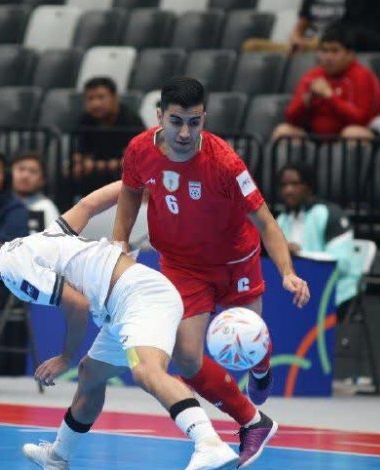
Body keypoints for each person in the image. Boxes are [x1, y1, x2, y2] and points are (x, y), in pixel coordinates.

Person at [0, 182, 240, 470]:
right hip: (119, 306)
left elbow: (77, 304)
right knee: (91, 374)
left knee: (146, 371)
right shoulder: (33, 242)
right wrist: (140, 183)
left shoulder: (12, 265)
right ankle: (57, 457)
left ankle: (209, 443)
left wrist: (65, 357)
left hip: (137, 296)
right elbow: (89, 205)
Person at [113, 76, 310, 468]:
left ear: (204, 117)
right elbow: (130, 192)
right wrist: (119, 241)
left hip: (234, 261)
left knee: (250, 343)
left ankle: (262, 368)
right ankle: (253, 422)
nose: (185, 133)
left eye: (194, 122)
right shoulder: (139, 149)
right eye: (176, 121)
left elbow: (266, 221)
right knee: (187, 358)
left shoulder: (225, 163)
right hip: (182, 265)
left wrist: (287, 272)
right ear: (160, 117)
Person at [272, 23, 380, 141]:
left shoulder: (363, 76)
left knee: (352, 133)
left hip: (364, 134)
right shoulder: (312, 76)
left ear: (350, 55)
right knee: (284, 131)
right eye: (324, 51)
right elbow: (290, 118)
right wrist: (306, 102)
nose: (328, 57)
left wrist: (329, 96)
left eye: (334, 51)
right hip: (317, 136)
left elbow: (361, 119)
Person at [275, 162, 359, 320]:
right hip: (297, 296)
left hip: (334, 296)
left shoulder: (329, 214)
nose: (288, 190)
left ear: (309, 187)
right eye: (284, 185)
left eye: (294, 184)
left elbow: (343, 264)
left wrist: (300, 253)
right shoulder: (282, 219)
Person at [72, 76, 144, 198]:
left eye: (101, 97)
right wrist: (79, 162)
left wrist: (101, 165)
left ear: (115, 98)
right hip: (93, 172)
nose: (95, 104)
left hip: (121, 175)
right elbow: (79, 152)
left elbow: (138, 158)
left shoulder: (130, 120)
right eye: (90, 98)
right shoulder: (85, 120)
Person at [242, 0, 345, 54]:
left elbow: (350, 30)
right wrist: (295, 38)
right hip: (306, 42)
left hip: (332, 42)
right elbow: (301, 24)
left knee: (320, 43)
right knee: (251, 45)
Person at [11, 152, 60, 230]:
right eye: (21, 169)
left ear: (42, 180)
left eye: (33, 171)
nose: (25, 176)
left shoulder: (46, 208)